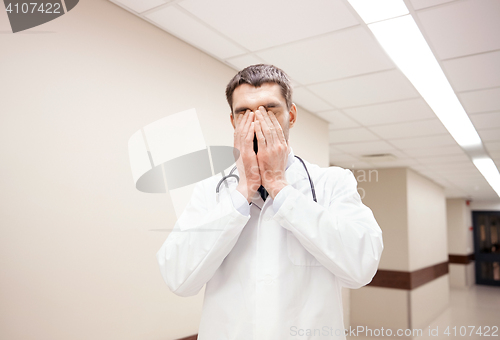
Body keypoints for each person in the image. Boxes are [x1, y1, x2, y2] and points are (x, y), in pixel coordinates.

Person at [156, 64, 383, 339]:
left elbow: (361, 268)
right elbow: (179, 278)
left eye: (270, 110)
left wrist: (278, 185)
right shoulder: (210, 191)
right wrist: (243, 190)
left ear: (291, 115)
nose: (256, 122)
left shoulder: (332, 183)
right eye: (244, 112)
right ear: (232, 122)